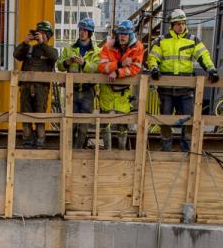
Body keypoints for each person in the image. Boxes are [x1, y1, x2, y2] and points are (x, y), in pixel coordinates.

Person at [148, 10, 218, 152]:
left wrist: (211, 69)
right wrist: (154, 68)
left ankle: (186, 149)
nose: (181, 26)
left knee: (188, 119)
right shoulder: (162, 40)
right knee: (165, 120)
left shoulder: (192, 40)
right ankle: (166, 149)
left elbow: (203, 55)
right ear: (172, 25)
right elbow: (152, 57)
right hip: (166, 88)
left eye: (183, 23)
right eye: (178, 24)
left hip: (185, 88)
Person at [98, 20, 144, 150]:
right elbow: (102, 67)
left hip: (123, 91)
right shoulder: (108, 46)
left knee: (123, 123)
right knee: (105, 120)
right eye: (120, 34)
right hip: (107, 89)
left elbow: (135, 68)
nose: (122, 36)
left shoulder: (138, 47)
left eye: (125, 34)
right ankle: (107, 150)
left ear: (130, 34)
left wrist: (117, 72)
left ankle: (122, 151)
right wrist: (120, 64)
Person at [57, 16, 101, 148]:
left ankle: (78, 149)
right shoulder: (69, 49)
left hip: (88, 91)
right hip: (72, 91)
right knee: (70, 123)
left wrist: (84, 63)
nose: (82, 32)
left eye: (85, 30)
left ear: (90, 33)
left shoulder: (97, 51)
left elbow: (97, 68)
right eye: (81, 30)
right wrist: (67, 62)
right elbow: (59, 65)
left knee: (83, 125)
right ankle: (69, 149)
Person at [14, 20, 58, 147]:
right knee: (25, 114)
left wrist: (42, 44)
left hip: (41, 89)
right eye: (38, 33)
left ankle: (40, 140)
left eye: (43, 33)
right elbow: (16, 55)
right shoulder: (29, 49)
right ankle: (27, 139)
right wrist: (25, 43)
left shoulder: (50, 50)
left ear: (48, 35)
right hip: (26, 87)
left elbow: (54, 57)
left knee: (40, 115)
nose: (39, 35)